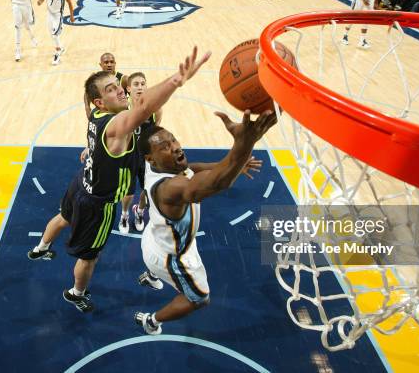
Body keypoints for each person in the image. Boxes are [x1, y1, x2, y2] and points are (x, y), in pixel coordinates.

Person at [27, 47, 211, 313]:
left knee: (63, 217)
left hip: (80, 184)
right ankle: (76, 292)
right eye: (112, 89)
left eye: (118, 85)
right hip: (97, 204)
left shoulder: (96, 116)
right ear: (99, 102)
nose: (121, 90)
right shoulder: (115, 126)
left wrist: (91, 147)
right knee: (89, 257)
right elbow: (144, 107)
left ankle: (42, 247)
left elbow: (140, 107)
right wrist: (177, 80)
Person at [134, 110, 275, 335]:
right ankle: (152, 321)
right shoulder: (169, 189)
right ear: (150, 158)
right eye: (165, 147)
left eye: (173, 139)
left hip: (153, 237)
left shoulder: (156, 166)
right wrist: (244, 144)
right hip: (171, 257)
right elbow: (216, 183)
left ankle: (151, 275)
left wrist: (233, 162)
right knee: (199, 298)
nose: (175, 147)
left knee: (170, 233)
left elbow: (194, 169)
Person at [119, 72, 161, 234]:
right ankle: (124, 215)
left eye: (143, 84)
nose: (140, 87)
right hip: (127, 158)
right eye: (136, 84)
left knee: (146, 191)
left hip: (146, 158)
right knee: (128, 193)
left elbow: (154, 131)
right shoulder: (122, 109)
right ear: (128, 88)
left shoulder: (155, 109)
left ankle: (139, 212)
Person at [37, 0, 75, 65]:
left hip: (58, 15)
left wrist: (72, 15)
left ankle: (57, 55)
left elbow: (70, 3)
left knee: (55, 34)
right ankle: (61, 48)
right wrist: (40, 1)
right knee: (51, 34)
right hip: (49, 14)